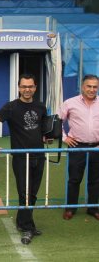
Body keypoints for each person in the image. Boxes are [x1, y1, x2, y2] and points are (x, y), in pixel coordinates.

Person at [0, 73, 47, 245]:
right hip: (21, 158)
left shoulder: (41, 106)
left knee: (33, 193)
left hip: (39, 156)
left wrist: (47, 136)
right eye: (24, 86)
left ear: (35, 87)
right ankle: (28, 228)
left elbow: (41, 129)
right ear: (19, 87)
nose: (27, 89)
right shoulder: (11, 107)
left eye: (30, 86)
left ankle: (22, 222)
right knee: (24, 192)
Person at [59, 74, 99, 221]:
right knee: (74, 179)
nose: (92, 89)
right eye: (89, 86)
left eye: (95, 87)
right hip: (77, 146)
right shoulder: (70, 103)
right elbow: (58, 121)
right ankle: (70, 208)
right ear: (82, 87)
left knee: (95, 180)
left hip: (97, 147)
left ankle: (93, 208)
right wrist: (65, 138)